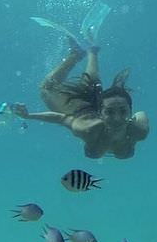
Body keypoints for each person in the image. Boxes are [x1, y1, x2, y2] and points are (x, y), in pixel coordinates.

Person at [12, 38, 149, 159]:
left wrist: (29, 116)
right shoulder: (87, 128)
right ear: (101, 114)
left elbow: (140, 114)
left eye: (123, 111)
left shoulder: (139, 130)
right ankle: (81, 53)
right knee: (46, 89)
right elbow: (61, 118)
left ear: (130, 112)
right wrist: (29, 116)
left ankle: (89, 51)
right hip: (80, 112)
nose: (117, 118)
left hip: (99, 109)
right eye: (110, 112)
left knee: (90, 84)